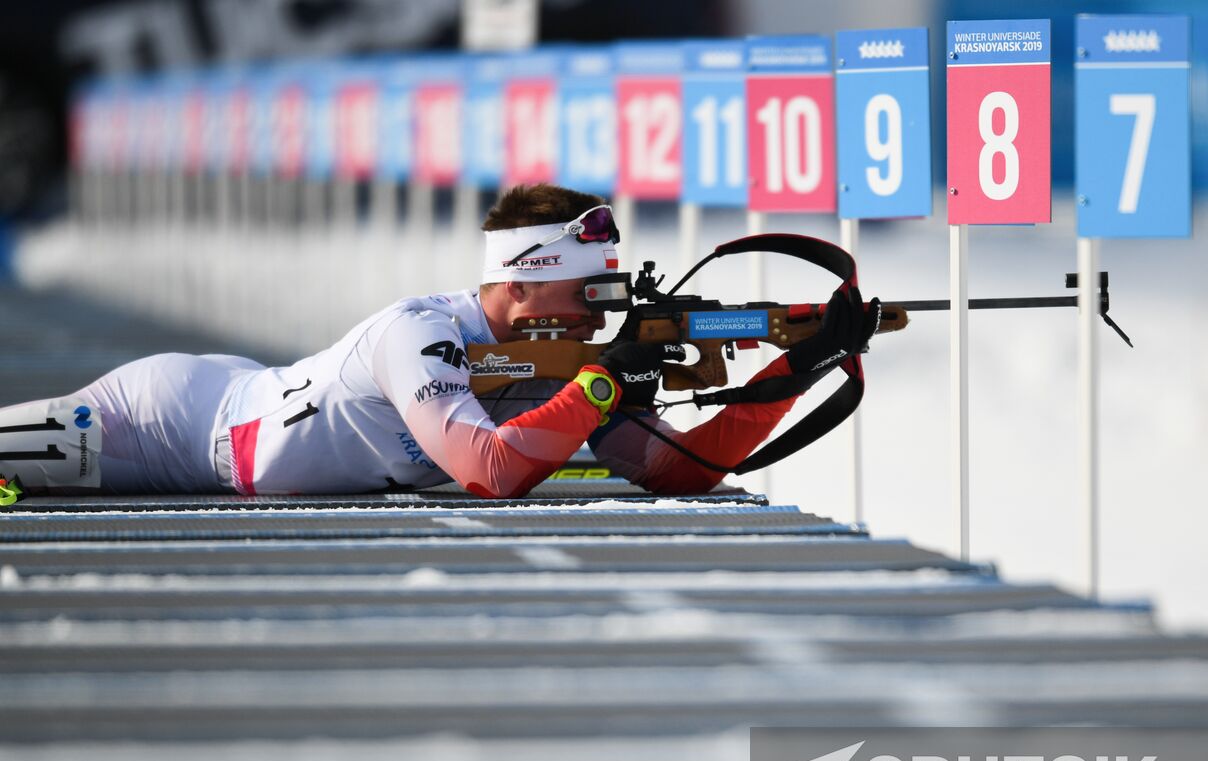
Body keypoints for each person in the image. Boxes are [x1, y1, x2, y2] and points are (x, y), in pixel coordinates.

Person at [0, 184, 871, 501]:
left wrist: (803, 363)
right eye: (584, 293)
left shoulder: (551, 371)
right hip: (173, 422)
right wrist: (604, 387)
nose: (598, 315)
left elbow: (684, 470)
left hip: (238, 412)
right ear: (520, 282)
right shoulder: (425, 332)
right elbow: (489, 470)